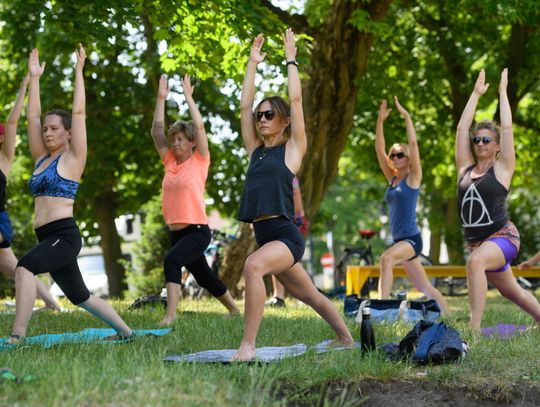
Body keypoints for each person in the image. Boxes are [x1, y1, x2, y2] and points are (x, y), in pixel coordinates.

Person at [233, 29, 354, 361]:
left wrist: (291, 59)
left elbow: (297, 101)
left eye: (269, 114)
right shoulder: (255, 151)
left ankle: (248, 346)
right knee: (311, 295)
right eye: (260, 115)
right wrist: (252, 64)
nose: (261, 119)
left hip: (286, 236)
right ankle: (346, 338)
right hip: (265, 235)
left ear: (284, 122)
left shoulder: (292, 150)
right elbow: (244, 106)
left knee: (254, 266)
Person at [7, 45, 133, 343]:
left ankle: (17, 336)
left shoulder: (73, 159)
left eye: (55, 129)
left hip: (63, 236)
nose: (48, 133)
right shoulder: (41, 157)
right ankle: (127, 332)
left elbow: (78, 112)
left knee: (24, 268)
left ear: (68, 133)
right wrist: (34, 78)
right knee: (81, 297)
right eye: (46, 129)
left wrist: (79, 72)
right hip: (47, 237)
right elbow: (32, 118)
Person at [151, 73, 239, 326]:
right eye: (173, 139)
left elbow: (200, 127)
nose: (175, 143)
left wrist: (188, 97)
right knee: (203, 276)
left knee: (172, 261)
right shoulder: (169, 162)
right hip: (176, 231)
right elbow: (156, 131)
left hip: (197, 230)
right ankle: (234, 309)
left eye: (180, 139)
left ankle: (170, 316)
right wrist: (161, 98)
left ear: (191, 143)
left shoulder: (200, 161)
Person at [456, 68, 540, 331]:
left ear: (496, 146)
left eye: (486, 140)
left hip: (503, 237)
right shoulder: (465, 169)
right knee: (511, 291)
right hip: (478, 242)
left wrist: (503, 92)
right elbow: (461, 128)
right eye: (477, 139)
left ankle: (474, 328)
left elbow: (506, 126)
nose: (480, 143)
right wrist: (475, 94)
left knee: (476, 262)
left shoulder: (502, 169)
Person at [375, 97, 448, 312]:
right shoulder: (392, 178)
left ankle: (382, 307)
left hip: (411, 240)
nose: (395, 158)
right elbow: (379, 150)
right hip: (400, 240)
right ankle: (448, 314)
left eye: (400, 154)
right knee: (424, 286)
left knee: (386, 259)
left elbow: (414, 145)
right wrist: (380, 122)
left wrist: (407, 117)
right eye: (393, 155)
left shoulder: (413, 178)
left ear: (408, 159)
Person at [0, 75, 60, 311]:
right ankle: (51, 304)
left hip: (0, 222)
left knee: (16, 268)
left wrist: (24, 88)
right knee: (17, 270)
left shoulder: (4, 159)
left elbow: (12, 122)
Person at [265, 176, 309, 307]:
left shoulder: (287, 174)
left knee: (292, 260)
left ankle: (304, 296)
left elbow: (297, 199)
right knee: (277, 259)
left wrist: (293, 218)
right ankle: (278, 296)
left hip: (290, 220)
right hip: (282, 219)